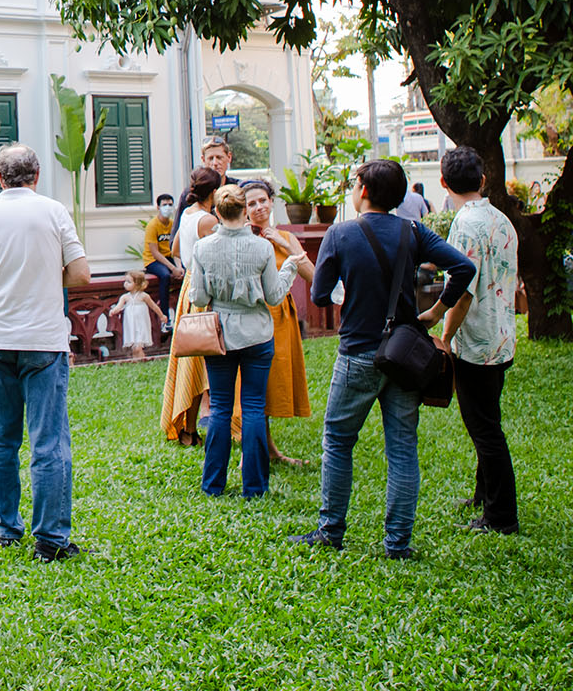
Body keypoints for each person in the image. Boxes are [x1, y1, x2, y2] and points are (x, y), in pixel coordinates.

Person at [291, 158, 476, 558]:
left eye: (356, 183)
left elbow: (321, 297)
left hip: (358, 352)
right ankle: (398, 543)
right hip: (405, 355)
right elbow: (463, 268)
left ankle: (331, 531)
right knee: (403, 448)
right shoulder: (413, 231)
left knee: (339, 441)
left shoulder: (339, 234)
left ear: (365, 190)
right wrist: (433, 312)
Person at [0, 143, 90, 561]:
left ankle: (6, 528)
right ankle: (50, 539)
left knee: (0, 442)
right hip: (42, 340)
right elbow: (82, 274)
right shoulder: (52, 211)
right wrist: (50, 274)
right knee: (48, 442)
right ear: (36, 175)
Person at [418, 146, 520, 535]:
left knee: (485, 430)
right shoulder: (502, 220)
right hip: (503, 337)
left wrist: (442, 332)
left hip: (476, 343)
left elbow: (462, 292)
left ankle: (501, 517)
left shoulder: (463, 225)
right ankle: (484, 495)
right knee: (487, 419)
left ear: (443, 183)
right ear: (482, 180)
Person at [190, 184, 303, 498]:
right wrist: (290, 267)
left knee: (221, 409)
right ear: (245, 211)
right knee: (253, 408)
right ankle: (254, 487)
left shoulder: (203, 248)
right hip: (257, 333)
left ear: (218, 212)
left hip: (220, 335)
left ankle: (213, 484)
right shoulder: (262, 247)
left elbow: (198, 296)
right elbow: (274, 296)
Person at [239, 179, 314, 465]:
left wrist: (283, 243)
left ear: (272, 202)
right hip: (252, 315)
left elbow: (313, 276)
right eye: (251, 203)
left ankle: (270, 450)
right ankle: (254, 450)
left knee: (272, 382)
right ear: (243, 209)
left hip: (281, 317)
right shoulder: (242, 237)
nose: (258, 207)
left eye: (262, 201)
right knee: (252, 384)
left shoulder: (285, 237)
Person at [159, 167, 220, 447]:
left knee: (191, 363)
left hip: (189, 287)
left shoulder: (187, 214)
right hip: (205, 291)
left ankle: (189, 426)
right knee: (202, 362)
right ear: (214, 192)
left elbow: (175, 250)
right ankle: (196, 426)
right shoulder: (208, 220)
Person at [171, 137, 232, 242]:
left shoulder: (237, 189)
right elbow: (175, 243)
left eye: (219, 157)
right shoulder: (191, 193)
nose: (215, 163)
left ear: (229, 157)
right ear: (203, 160)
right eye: (210, 158)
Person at [141, 193, 180, 331]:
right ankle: (165, 318)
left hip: (169, 257)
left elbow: (176, 249)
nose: (168, 208)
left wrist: (179, 267)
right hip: (153, 260)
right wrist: (171, 268)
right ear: (158, 207)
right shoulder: (153, 225)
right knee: (165, 276)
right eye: (164, 205)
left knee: (184, 274)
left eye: (170, 204)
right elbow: (155, 252)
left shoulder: (173, 224)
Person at [109, 270, 166, 360]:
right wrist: (114, 310)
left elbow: (154, 306)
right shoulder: (125, 297)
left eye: (129, 282)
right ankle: (136, 360)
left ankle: (141, 360)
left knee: (138, 346)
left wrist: (162, 316)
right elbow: (119, 306)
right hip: (131, 323)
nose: (125, 284)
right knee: (134, 347)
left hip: (141, 323)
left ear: (137, 284)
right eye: (125, 281)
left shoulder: (144, 296)